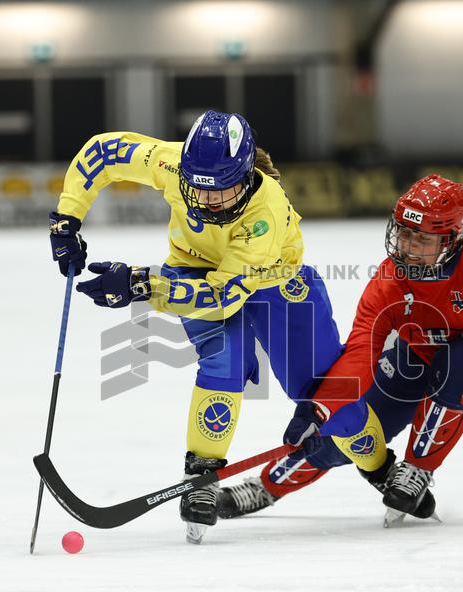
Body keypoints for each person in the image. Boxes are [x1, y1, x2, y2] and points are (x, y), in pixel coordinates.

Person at [48, 110, 343, 543]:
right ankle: (203, 476)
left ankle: (382, 466)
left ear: (244, 178)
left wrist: (140, 285)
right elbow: (103, 152)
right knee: (227, 360)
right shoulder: (172, 164)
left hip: (272, 280)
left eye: (221, 192)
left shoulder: (266, 213)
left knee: (322, 389)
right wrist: (67, 219)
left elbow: (225, 295)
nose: (205, 203)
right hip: (191, 271)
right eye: (197, 189)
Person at [217, 175, 463, 525]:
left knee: (457, 361)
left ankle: (417, 470)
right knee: (349, 424)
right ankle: (268, 485)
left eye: (422, 238)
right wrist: (320, 410)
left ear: (453, 239)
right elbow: (360, 354)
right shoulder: (388, 281)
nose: (408, 246)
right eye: (404, 233)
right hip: (418, 361)